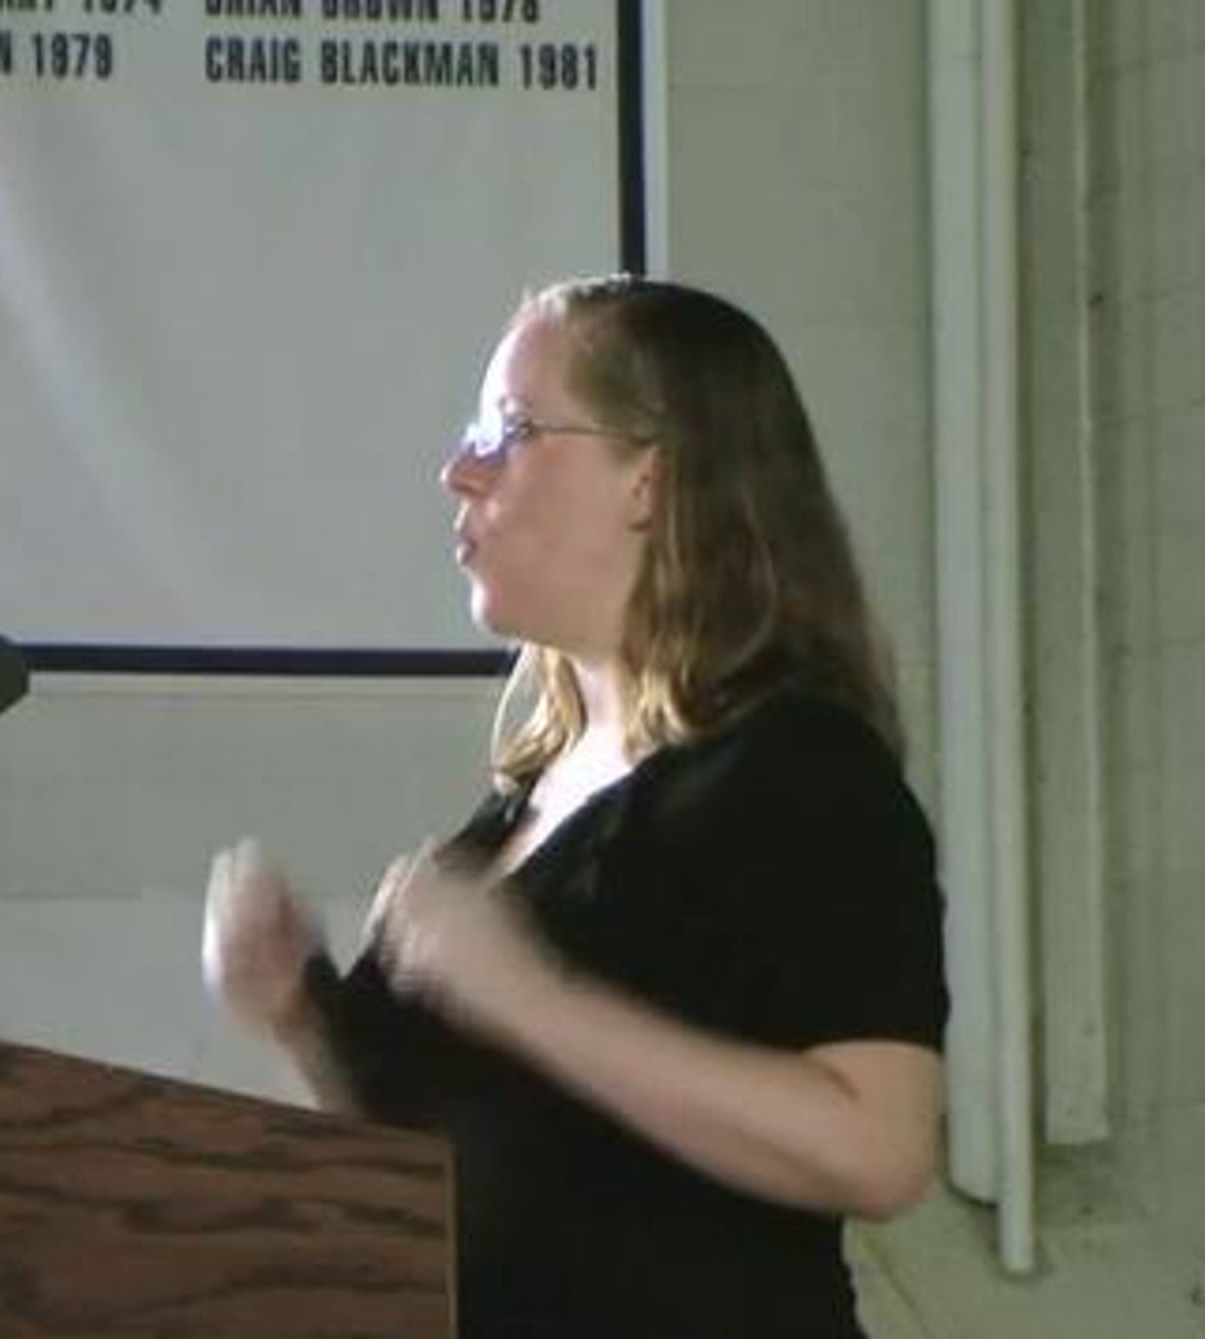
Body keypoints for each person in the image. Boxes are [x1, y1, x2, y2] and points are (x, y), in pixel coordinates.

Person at [202, 276, 948, 1338]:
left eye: (510, 431)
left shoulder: (796, 768)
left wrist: (528, 995)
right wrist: (301, 1018)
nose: (459, 470)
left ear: (649, 478)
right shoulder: (527, 801)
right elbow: (464, 1168)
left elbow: (879, 1147)